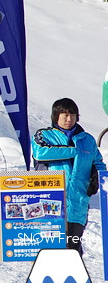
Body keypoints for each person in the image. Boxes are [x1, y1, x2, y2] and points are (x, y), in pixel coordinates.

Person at [31, 98, 106, 255]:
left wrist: (97, 177)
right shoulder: (44, 135)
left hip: (78, 203)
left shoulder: (87, 140)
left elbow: (98, 163)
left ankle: (74, 279)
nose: (69, 119)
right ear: (55, 116)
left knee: (73, 248)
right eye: (64, 115)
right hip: (50, 203)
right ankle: (48, 279)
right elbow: (41, 153)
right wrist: (73, 150)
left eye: (72, 115)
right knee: (51, 250)